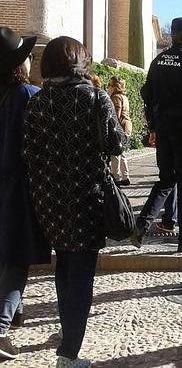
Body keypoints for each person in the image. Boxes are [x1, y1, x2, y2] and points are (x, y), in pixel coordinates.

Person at [24, 36, 127, 368]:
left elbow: (29, 153)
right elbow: (114, 144)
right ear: (81, 62)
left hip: (49, 199)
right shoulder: (96, 98)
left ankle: (67, 335)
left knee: (64, 266)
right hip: (87, 197)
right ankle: (69, 355)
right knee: (81, 271)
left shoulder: (37, 102)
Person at [132, 17, 182, 252]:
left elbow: (146, 94)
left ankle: (141, 226)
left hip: (164, 130)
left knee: (166, 180)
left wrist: (154, 126)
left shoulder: (157, 61)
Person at [0, 27, 51, 362]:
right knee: (17, 258)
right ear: (21, 64)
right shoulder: (29, 96)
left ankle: (15, 314)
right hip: (20, 188)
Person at [108, 76, 133, 186]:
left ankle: (116, 177)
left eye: (110, 85)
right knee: (122, 152)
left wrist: (113, 127)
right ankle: (125, 176)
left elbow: (116, 114)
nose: (108, 87)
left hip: (120, 127)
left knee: (115, 153)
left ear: (115, 87)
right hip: (127, 126)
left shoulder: (116, 97)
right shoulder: (124, 97)